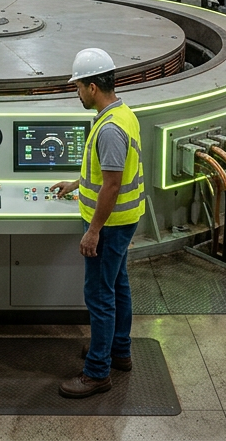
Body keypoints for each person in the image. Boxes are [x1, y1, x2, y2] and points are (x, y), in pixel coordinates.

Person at [50, 47, 145, 398]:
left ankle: (96, 372)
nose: (76, 93)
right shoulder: (121, 114)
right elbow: (107, 173)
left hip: (110, 226)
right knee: (118, 286)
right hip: (123, 221)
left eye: (77, 87)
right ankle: (119, 351)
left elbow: (113, 184)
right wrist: (75, 183)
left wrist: (93, 230)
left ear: (92, 87)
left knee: (99, 296)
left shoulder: (108, 129)